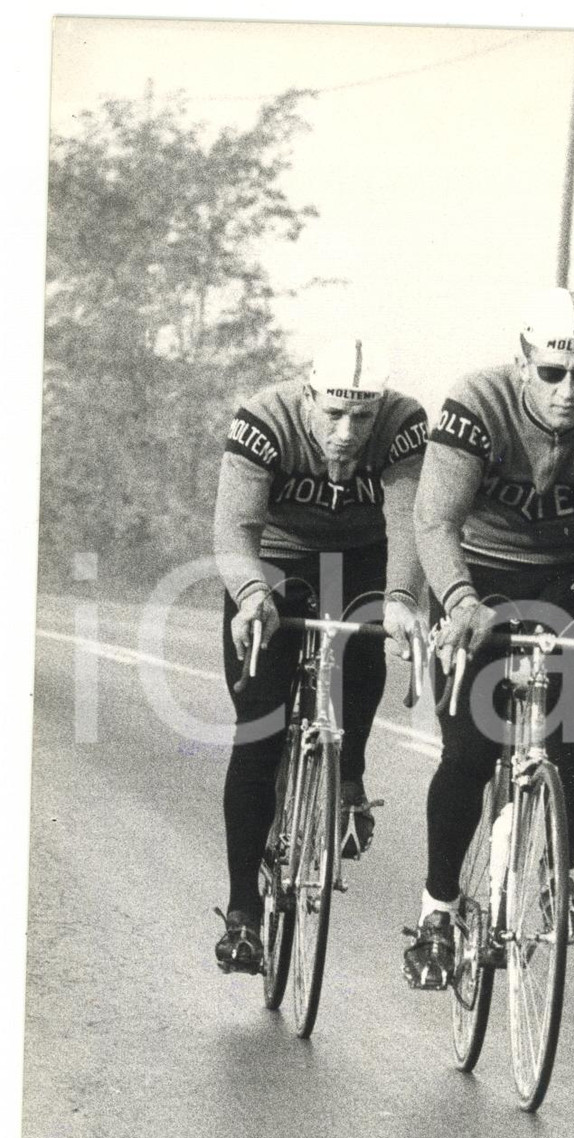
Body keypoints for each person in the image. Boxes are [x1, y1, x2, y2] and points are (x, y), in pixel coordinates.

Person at [404, 288, 574, 990]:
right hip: (478, 572)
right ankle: (437, 910)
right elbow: (434, 522)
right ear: (523, 361)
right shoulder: (477, 401)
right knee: (470, 746)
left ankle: (559, 873)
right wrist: (458, 600)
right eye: (552, 372)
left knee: (570, 715)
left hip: (567, 571)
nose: (568, 391)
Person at [214, 336, 428, 973]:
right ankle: (243, 913)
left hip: (359, 558)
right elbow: (235, 528)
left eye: (361, 417)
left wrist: (401, 598)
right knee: (259, 731)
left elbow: (409, 521)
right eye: (333, 414)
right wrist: (251, 595)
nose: (347, 433)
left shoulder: (403, 423)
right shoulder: (264, 419)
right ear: (308, 396)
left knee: (365, 647)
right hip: (274, 561)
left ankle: (348, 776)